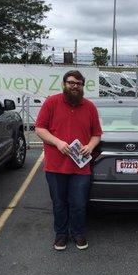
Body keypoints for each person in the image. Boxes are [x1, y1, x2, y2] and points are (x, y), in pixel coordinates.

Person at [35, 70, 102, 251]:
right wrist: (57, 142)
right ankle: (61, 234)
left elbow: (97, 134)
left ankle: (78, 233)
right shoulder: (52, 103)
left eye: (78, 83)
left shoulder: (89, 107)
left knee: (79, 203)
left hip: (81, 167)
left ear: (82, 86)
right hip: (55, 166)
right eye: (71, 82)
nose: (75, 86)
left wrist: (90, 146)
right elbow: (39, 128)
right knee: (59, 203)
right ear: (64, 83)